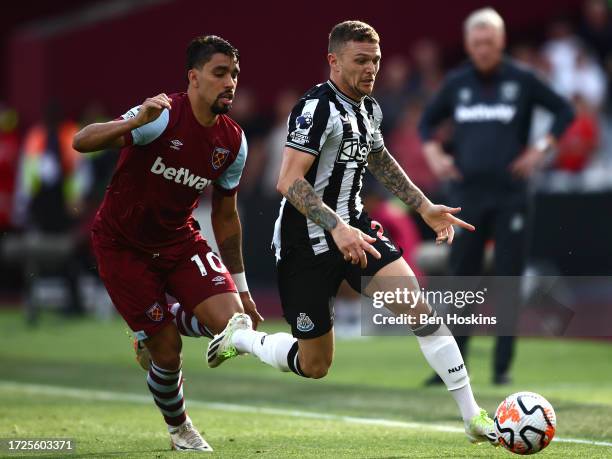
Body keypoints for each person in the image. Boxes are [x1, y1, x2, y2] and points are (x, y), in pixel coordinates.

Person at [206, 20, 498, 446]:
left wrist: (424, 206)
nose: (370, 69)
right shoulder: (315, 108)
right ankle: (245, 339)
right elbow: (288, 181)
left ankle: (472, 416)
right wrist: (335, 227)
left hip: (357, 232)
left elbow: (380, 159)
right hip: (304, 245)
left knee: (420, 312)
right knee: (316, 364)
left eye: (375, 61)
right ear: (334, 61)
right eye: (360, 60)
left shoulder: (369, 109)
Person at [72, 35, 263, 452]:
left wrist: (243, 290)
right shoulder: (161, 116)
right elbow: (82, 141)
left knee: (234, 325)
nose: (229, 82)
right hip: (123, 245)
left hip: (178, 241)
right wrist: (133, 123)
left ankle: (164, 318)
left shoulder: (233, 142)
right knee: (167, 350)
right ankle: (180, 429)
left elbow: (226, 217)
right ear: (194, 78)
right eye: (219, 73)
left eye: (234, 74)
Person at [419, 8, 575, 385]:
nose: (484, 48)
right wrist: (436, 154)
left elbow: (563, 110)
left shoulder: (521, 79)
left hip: (511, 195)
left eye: (489, 41)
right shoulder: (457, 83)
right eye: (477, 42)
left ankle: (502, 367)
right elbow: (426, 123)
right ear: (469, 45)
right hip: (467, 196)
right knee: (462, 282)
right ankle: (452, 368)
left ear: (501, 42)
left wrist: (540, 148)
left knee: (508, 278)